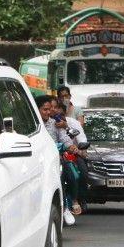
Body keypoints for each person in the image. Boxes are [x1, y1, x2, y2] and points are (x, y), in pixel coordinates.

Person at [36, 95, 78, 225]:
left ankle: (66, 207)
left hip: (55, 160)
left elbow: (64, 138)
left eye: (50, 109)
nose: (48, 112)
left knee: (68, 176)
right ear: (36, 109)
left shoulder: (56, 123)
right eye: (45, 109)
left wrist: (71, 146)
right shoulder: (32, 125)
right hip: (36, 162)